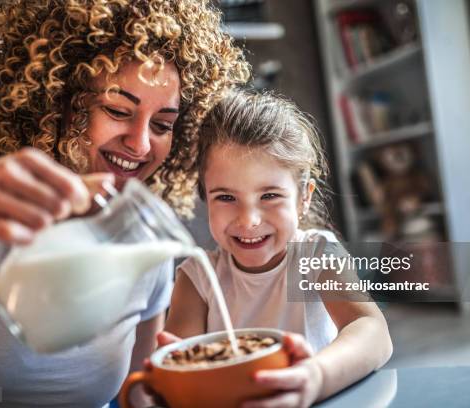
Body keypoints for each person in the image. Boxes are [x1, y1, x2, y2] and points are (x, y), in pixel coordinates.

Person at [0, 0, 249, 406]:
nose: (141, 143)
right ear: (56, 100)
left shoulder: (147, 239)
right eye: (117, 110)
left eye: (163, 125)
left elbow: (137, 390)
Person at [163, 89, 393, 408]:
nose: (249, 220)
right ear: (205, 198)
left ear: (304, 197)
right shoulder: (197, 278)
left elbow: (372, 331)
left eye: (269, 196)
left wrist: (316, 377)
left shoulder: (316, 255)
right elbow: (183, 373)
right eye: (226, 198)